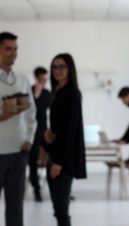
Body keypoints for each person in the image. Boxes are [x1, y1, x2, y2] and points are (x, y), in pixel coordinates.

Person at [44, 53, 86, 226]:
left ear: (70, 69)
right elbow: (59, 126)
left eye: (62, 67)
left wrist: (58, 163)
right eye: (54, 67)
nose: (57, 70)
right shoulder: (57, 92)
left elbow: (69, 131)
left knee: (61, 209)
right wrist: (47, 133)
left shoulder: (72, 94)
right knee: (58, 209)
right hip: (54, 155)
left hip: (63, 159)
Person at [0, 32, 36, 226]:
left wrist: (29, 139)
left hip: (18, 151)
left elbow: (32, 113)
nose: (13, 53)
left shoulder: (22, 79)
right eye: (8, 48)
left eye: (15, 49)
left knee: (15, 207)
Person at [28, 66, 50, 202]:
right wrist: (35, 95)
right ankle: (36, 189)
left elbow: (45, 109)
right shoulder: (29, 91)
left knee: (52, 157)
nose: (45, 80)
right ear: (37, 77)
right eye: (42, 78)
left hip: (44, 129)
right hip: (31, 131)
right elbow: (29, 110)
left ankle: (59, 190)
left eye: (45, 78)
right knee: (32, 160)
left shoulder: (47, 93)